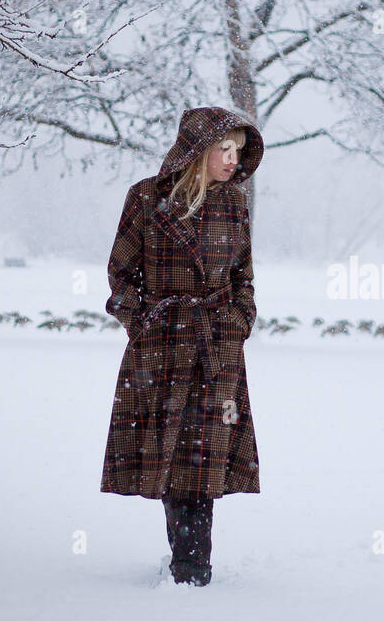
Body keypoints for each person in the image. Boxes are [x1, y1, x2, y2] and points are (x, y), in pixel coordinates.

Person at [99, 106, 263, 586]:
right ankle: (187, 563)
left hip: (217, 349)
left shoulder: (233, 203)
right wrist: (143, 323)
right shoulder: (146, 199)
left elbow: (243, 277)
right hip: (163, 349)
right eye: (223, 149)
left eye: (238, 151)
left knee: (203, 456)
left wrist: (239, 320)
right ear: (197, 151)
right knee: (171, 455)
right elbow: (120, 276)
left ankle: (193, 567)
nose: (233, 160)